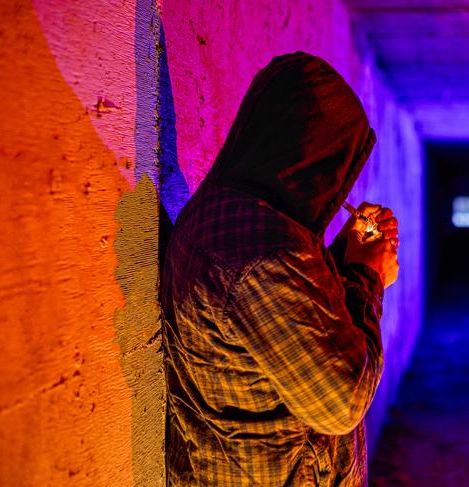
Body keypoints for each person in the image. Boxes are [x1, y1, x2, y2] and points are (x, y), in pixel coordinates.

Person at [160, 51, 399, 486]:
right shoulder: (266, 255)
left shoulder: (233, 211)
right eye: (335, 165)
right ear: (310, 158)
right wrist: (367, 278)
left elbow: (290, 323)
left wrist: (344, 253)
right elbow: (341, 402)